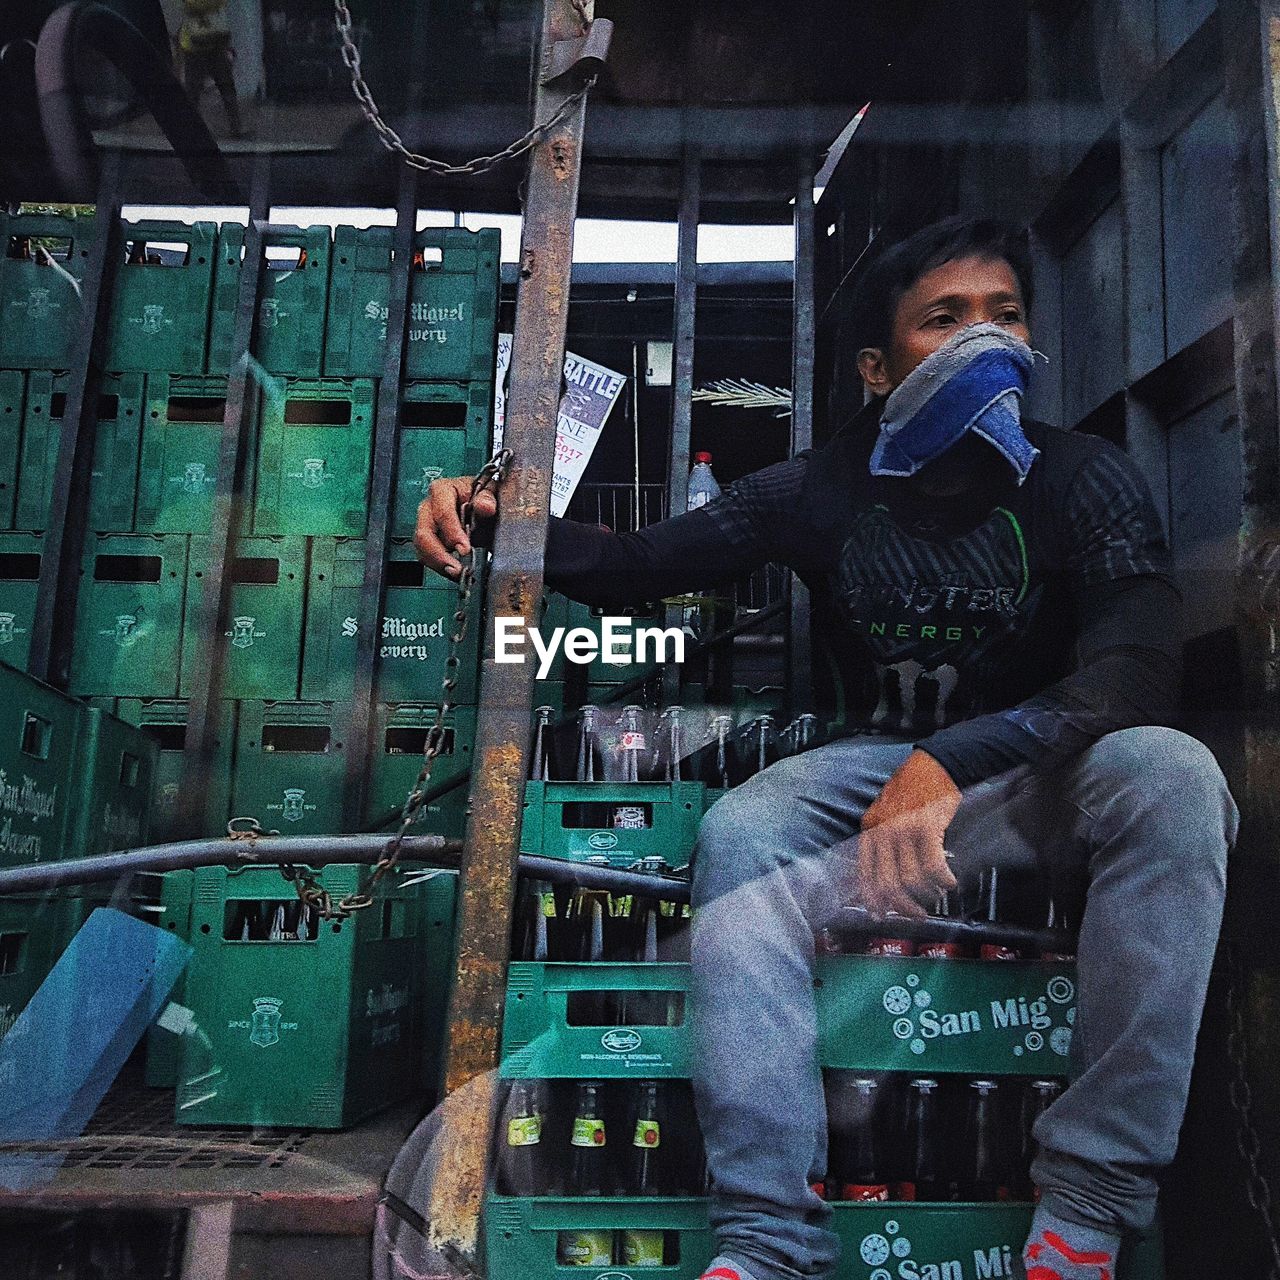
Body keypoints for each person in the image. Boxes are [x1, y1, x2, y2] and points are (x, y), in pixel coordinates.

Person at [415, 217, 1236, 1280]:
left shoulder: (1085, 479)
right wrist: (494, 516)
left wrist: (953, 757)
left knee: (1174, 773)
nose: (981, 341)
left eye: (1003, 315)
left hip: (1048, 771)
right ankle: (769, 1236)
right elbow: (633, 564)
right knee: (742, 826)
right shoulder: (819, 488)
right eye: (943, 320)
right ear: (872, 365)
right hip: (871, 770)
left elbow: (1134, 675)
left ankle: (1086, 1205)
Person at [176, 0, 243, 138]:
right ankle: (190, 130)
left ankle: (235, 127)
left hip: (213, 43)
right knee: (194, 90)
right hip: (196, 46)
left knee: (226, 85)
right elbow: (194, 4)